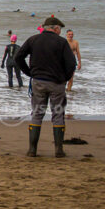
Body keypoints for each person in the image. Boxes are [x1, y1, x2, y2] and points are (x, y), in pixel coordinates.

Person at [14, 16, 77, 158]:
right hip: (57, 84)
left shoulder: (33, 40)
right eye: (60, 29)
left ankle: (32, 150)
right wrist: (65, 78)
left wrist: (30, 72)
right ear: (56, 28)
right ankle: (59, 150)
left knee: (37, 114)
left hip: (38, 82)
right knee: (58, 115)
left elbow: (18, 57)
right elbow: (71, 63)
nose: (60, 32)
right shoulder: (62, 42)